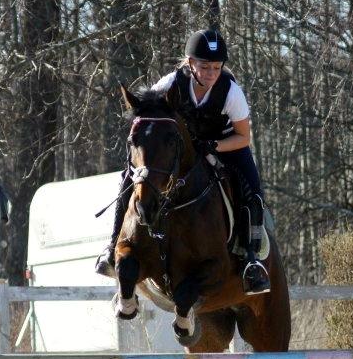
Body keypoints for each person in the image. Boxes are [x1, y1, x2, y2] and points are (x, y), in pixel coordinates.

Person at [95, 28, 270, 295]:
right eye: (204, 66)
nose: (211, 73)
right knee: (129, 178)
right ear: (190, 64)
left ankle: (251, 260)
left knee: (253, 190)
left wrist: (214, 146)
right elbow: (145, 115)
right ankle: (111, 247)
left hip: (225, 144)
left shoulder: (231, 93)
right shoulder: (171, 83)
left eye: (216, 67)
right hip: (179, 148)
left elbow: (243, 137)